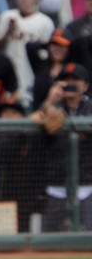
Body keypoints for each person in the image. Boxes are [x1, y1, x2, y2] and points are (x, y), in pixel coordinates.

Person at [31, 63, 92, 231]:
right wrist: (50, 101)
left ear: (85, 85)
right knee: (48, 243)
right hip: (56, 184)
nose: (70, 83)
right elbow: (32, 120)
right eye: (66, 80)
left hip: (87, 185)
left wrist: (67, 123)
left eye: (75, 80)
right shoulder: (53, 106)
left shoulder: (90, 106)